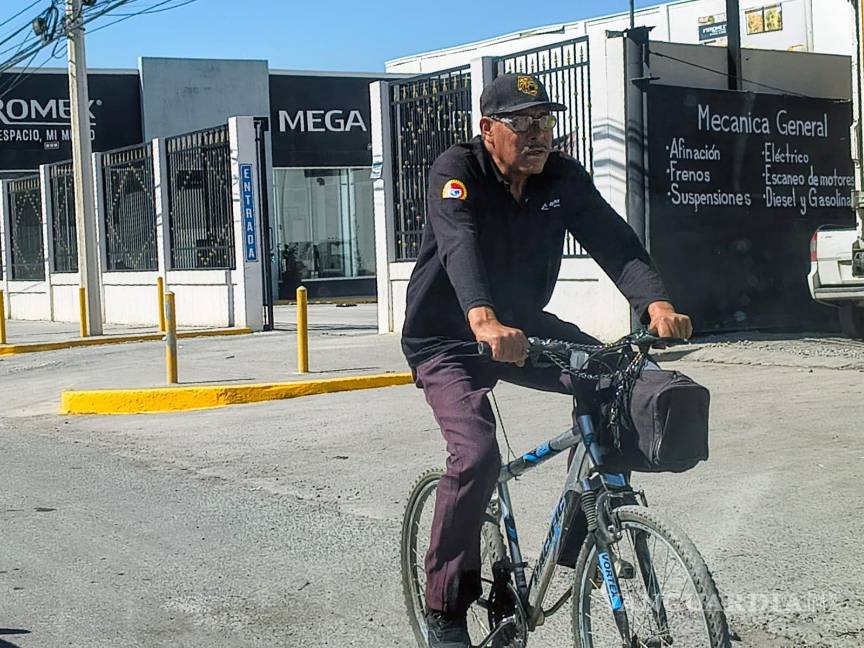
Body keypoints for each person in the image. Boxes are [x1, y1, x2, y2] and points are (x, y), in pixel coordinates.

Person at [401, 73, 693, 648]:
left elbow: (614, 241)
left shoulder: (560, 177)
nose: (537, 134)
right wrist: (482, 318)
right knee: (477, 455)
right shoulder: (456, 171)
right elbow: (458, 244)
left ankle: (582, 542)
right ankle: (444, 608)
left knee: (615, 380)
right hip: (447, 338)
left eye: (545, 121)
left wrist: (655, 303)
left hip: (523, 328)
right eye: (521, 122)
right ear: (488, 129)